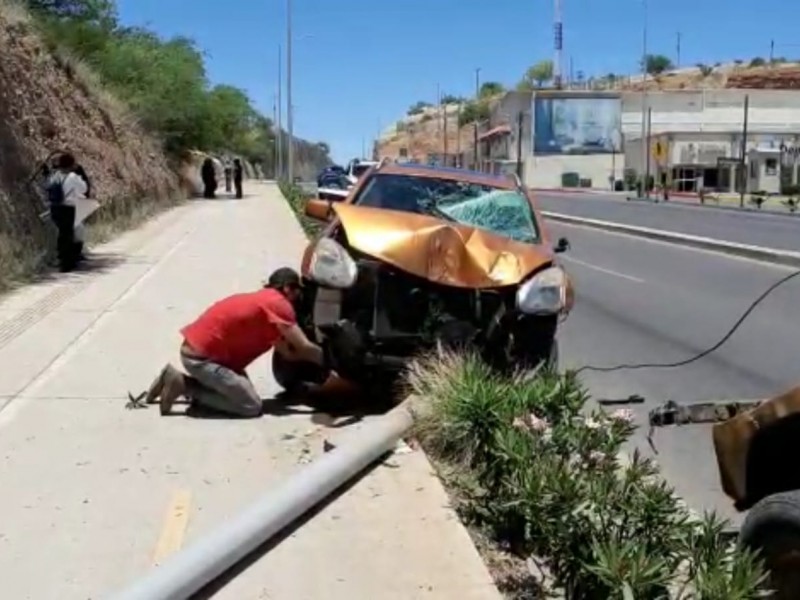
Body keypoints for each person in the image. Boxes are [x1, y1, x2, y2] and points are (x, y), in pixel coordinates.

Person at [144, 268, 327, 417]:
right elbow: (304, 347)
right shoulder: (279, 304)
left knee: (237, 392)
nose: (297, 298)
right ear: (288, 288)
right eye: (297, 292)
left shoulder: (263, 303)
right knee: (250, 406)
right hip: (203, 360)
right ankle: (183, 385)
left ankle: (169, 378)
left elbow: (288, 353)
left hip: (198, 351)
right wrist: (333, 363)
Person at [46, 153, 88, 272]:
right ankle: (68, 262)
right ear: (71, 164)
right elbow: (84, 188)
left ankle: (62, 259)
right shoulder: (73, 177)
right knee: (70, 234)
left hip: (55, 208)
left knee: (63, 233)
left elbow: (47, 187)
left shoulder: (54, 176)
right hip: (69, 208)